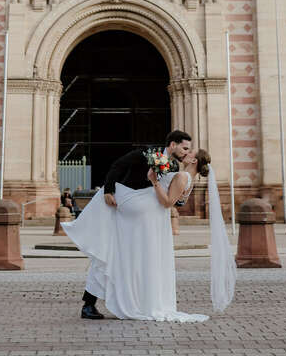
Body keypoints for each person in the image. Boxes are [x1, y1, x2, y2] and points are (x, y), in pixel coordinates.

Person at [63, 130, 234, 320]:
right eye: (184, 148)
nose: (186, 152)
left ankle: (130, 302)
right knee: (110, 254)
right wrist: (109, 190)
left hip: (149, 218)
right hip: (128, 206)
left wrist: (172, 194)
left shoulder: (178, 169)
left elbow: (174, 199)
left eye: (189, 151)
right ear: (172, 145)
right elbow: (118, 166)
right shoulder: (147, 153)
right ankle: (93, 304)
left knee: (125, 259)